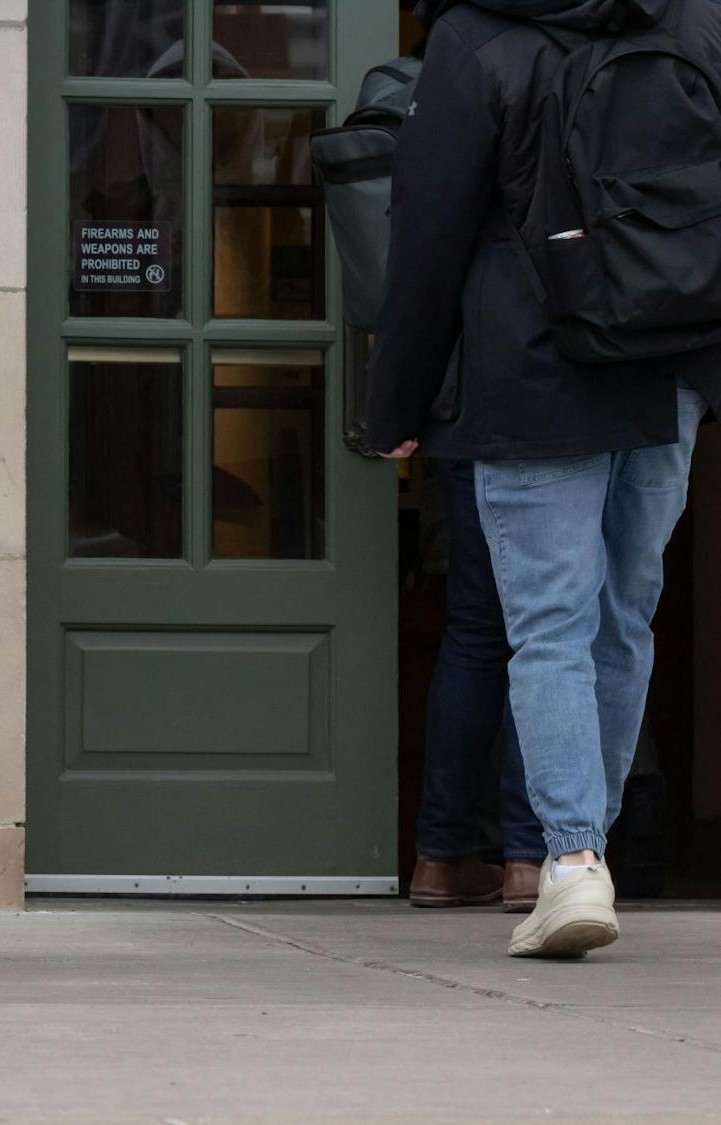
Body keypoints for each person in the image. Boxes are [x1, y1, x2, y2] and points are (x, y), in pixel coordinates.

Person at [367, 0, 721, 956]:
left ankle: (570, 862)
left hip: (530, 367)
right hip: (669, 360)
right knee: (624, 615)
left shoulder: (477, 38)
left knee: (548, 624)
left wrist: (394, 405)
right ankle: (586, 848)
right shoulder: (694, 22)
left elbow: (427, 229)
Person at [411, 458, 545, 912]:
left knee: (473, 634)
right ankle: (528, 859)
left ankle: (439, 859)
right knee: (544, 636)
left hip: (470, 423)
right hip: (560, 434)